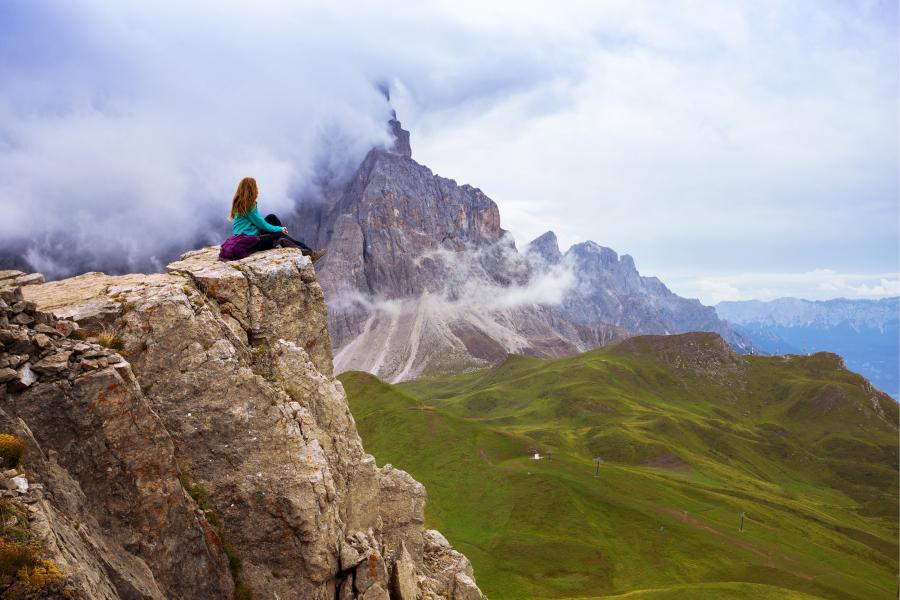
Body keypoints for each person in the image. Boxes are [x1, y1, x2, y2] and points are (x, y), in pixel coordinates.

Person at [224, 177, 325, 262]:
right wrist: (280, 229)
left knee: (272, 217)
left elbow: (259, 223)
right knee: (279, 234)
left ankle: (285, 241)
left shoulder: (239, 204)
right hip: (251, 241)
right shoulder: (249, 207)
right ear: (252, 190)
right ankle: (310, 254)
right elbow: (263, 225)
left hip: (244, 237)